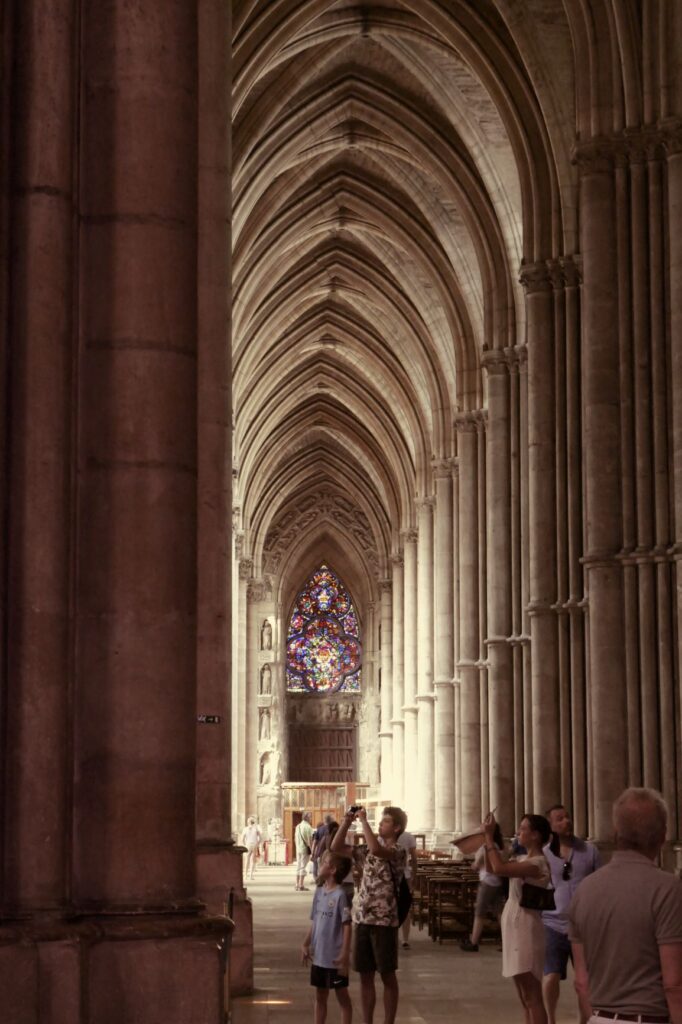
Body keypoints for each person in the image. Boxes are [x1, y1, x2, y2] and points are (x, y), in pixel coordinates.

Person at [568, 787, 682, 1024]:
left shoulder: (585, 889)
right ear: (663, 836)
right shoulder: (667, 889)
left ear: (615, 833)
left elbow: (581, 981)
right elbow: (673, 984)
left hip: (598, 1017)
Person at [331, 806, 407, 1024]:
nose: (381, 824)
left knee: (387, 974)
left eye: (386, 822)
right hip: (363, 917)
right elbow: (335, 848)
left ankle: (389, 1021)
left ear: (397, 828)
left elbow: (377, 850)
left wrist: (364, 821)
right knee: (365, 975)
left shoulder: (398, 851)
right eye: (380, 822)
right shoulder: (365, 850)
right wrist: (346, 822)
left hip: (384, 920)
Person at [483, 811, 552, 1024]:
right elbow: (490, 868)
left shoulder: (537, 863)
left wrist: (488, 837)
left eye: (523, 829)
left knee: (532, 994)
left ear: (536, 835)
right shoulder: (523, 858)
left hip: (526, 924)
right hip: (514, 922)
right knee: (524, 995)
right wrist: (490, 840)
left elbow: (499, 868)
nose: (519, 832)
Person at [542, 805, 600, 1024]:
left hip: (583, 925)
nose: (566, 821)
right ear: (551, 826)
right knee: (551, 975)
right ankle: (550, 1019)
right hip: (552, 922)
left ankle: (583, 1021)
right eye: (560, 819)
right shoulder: (546, 854)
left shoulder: (589, 850)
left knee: (584, 981)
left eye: (568, 817)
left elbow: (599, 884)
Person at [301, 852, 354, 1024]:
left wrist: (345, 953)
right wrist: (306, 943)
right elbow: (315, 920)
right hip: (319, 958)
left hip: (335, 958)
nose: (320, 864)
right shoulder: (319, 892)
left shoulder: (340, 896)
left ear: (332, 869)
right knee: (320, 995)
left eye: (324, 862)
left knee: (342, 995)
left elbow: (347, 925)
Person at [460, 822, 506, 952]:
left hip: (487, 882)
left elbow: (478, 863)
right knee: (499, 912)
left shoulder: (486, 846)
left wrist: (473, 865)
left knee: (480, 912)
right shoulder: (496, 845)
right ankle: (506, 941)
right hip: (497, 881)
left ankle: (473, 942)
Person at [390, 810, 418, 949]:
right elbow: (414, 858)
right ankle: (405, 939)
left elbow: (413, 857)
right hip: (404, 875)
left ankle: (395, 937)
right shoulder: (408, 837)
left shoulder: (384, 838)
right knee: (404, 908)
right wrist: (414, 876)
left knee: (397, 907)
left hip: (395, 876)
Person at [295, 811, 314, 891]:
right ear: (307, 817)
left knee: (298, 866)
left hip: (298, 848)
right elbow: (310, 840)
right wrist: (312, 850)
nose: (311, 818)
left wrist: (297, 846)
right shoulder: (308, 827)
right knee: (303, 867)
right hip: (305, 849)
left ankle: (296, 884)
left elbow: (295, 838)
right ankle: (301, 885)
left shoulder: (298, 826)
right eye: (310, 817)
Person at [241, 816, 262, 881]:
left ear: (248, 822)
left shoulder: (245, 829)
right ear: (253, 822)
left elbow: (242, 839)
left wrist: (244, 844)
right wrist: (258, 843)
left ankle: (245, 875)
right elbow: (261, 838)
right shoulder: (256, 829)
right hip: (254, 844)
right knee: (253, 860)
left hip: (248, 844)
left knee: (247, 860)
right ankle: (251, 876)